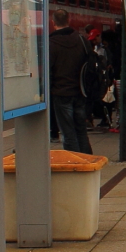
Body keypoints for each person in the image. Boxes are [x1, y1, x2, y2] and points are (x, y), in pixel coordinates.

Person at [49, 9, 92, 154]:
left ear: (53, 22)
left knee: (68, 133)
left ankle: (75, 163)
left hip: (61, 93)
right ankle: (87, 160)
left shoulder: (51, 43)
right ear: (69, 20)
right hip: (80, 92)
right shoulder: (82, 40)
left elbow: (48, 70)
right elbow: (91, 65)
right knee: (81, 131)